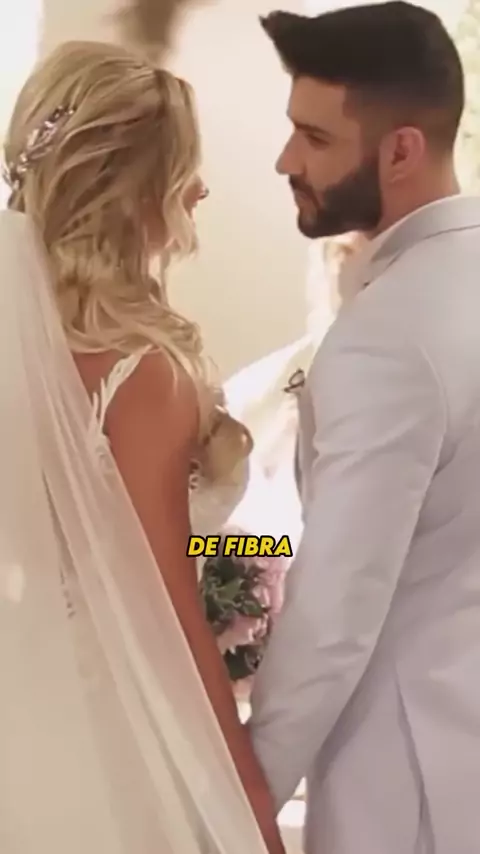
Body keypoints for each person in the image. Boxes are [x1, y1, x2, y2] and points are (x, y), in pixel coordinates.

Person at [0, 40, 284, 854]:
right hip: (99, 732)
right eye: (184, 166)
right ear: (135, 189)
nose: (201, 188)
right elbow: (167, 613)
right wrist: (245, 793)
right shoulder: (143, 374)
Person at [249, 4, 480, 853]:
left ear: (401, 150)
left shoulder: (388, 334)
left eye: (314, 136)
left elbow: (335, 612)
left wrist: (240, 800)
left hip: (407, 787)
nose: (286, 160)